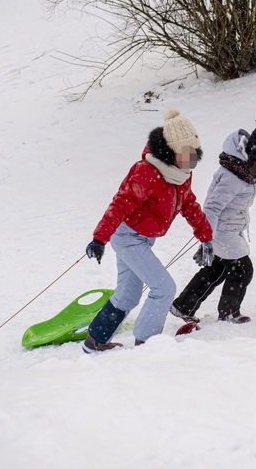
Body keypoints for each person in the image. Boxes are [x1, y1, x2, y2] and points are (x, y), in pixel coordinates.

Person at [81, 108, 214, 353]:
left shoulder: (181, 174)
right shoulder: (147, 172)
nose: (191, 159)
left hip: (142, 239)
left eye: (194, 153)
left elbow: (189, 204)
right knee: (164, 288)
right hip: (128, 237)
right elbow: (120, 203)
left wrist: (206, 237)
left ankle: (95, 341)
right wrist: (99, 238)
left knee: (128, 294)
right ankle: (146, 345)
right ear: (171, 151)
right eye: (186, 153)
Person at [170, 112, 256, 324]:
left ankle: (183, 305)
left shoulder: (244, 172)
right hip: (222, 232)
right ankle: (229, 311)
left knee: (217, 269)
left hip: (227, 229)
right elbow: (211, 207)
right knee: (242, 270)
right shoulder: (233, 177)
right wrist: (206, 239)